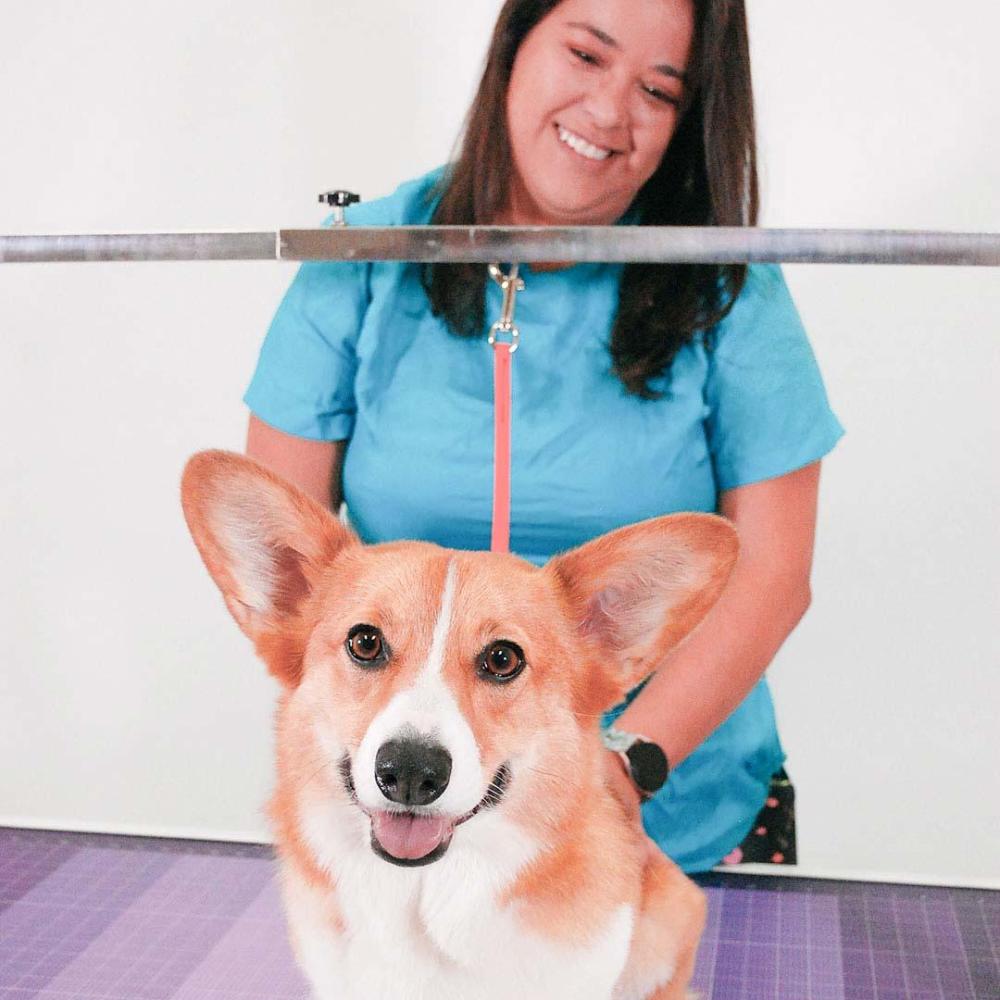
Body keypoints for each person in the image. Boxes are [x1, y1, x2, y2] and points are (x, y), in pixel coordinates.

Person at [243, 0, 843, 873]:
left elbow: (774, 575)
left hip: (671, 826)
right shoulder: (359, 259)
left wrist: (628, 764)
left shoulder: (730, 289)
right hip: (404, 823)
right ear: (514, 47)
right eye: (586, 55)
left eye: (658, 90)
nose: (609, 111)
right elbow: (284, 570)